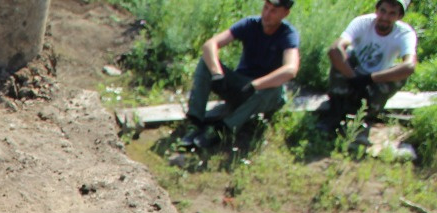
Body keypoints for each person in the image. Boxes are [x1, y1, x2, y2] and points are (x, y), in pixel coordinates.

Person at [176, 0, 301, 151]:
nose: (267, 14)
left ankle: (222, 129)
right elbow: (210, 44)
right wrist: (217, 74)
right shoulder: (250, 24)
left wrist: (255, 85)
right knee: (206, 63)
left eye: (273, 11)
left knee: (273, 89)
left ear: (285, 13)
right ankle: (195, 121)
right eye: (266, 8)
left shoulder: (288, 34)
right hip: (241, 85)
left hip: (264, 92)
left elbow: (291, 69)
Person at [316, 0, 417, 136]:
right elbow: (335, 49)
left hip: (376, 78)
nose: (385, 18)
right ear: (376, 10)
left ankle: (365, 117)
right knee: (341, 56)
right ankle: (335, 112)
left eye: (392, 13)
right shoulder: (363, 22)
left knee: (401, 75)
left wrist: (370, 79)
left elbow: (409, 66)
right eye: (383, 11)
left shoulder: (404, 33)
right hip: (353, 71)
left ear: (399, 16)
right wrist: (354, 78)